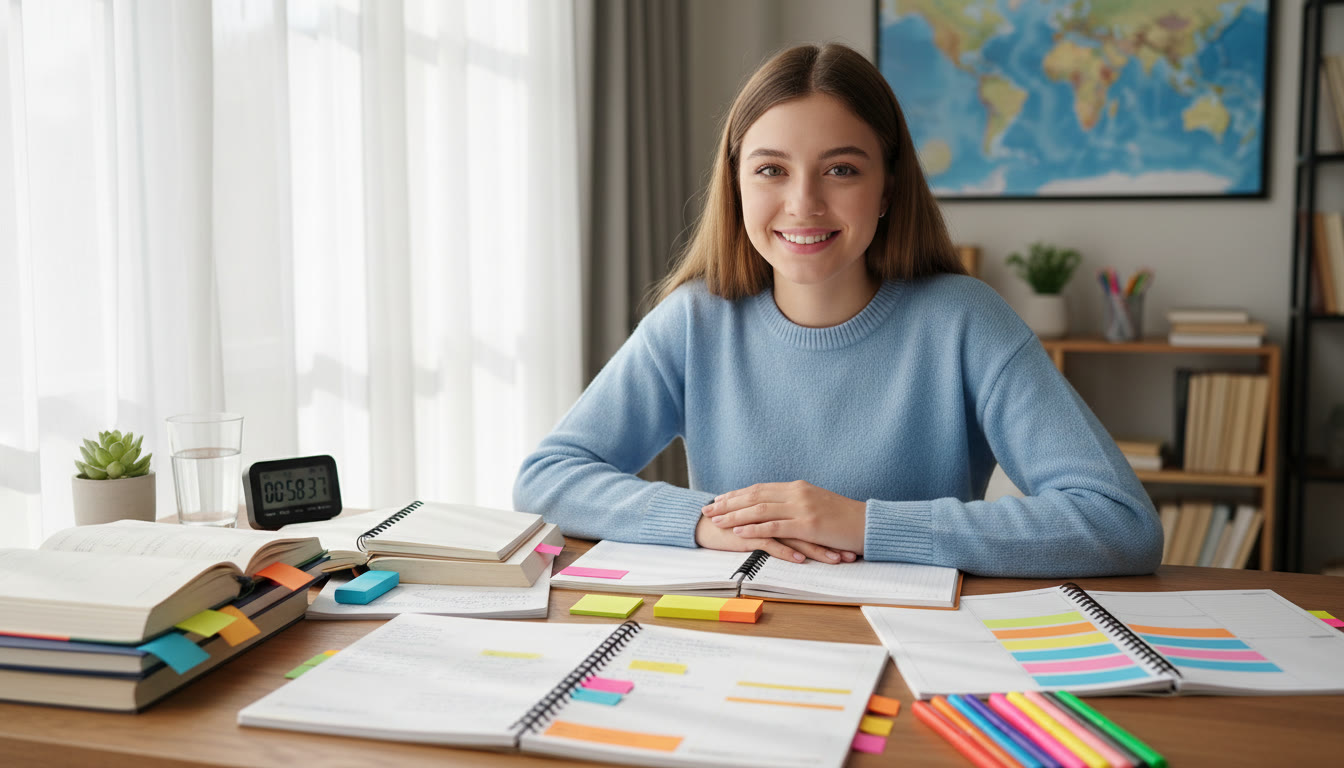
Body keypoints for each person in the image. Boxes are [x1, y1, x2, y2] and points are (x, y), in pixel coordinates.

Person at [513, 43, 1161, 577]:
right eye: (771, 171)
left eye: (842, 170)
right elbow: (546, 479)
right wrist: (706, 523)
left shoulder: (967, 322)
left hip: (917, 652)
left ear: (888, 187)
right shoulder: (693, 322)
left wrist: (863, 523)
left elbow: (1119, 522)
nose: (803, 204)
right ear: (737, 185)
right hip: (742, 639)